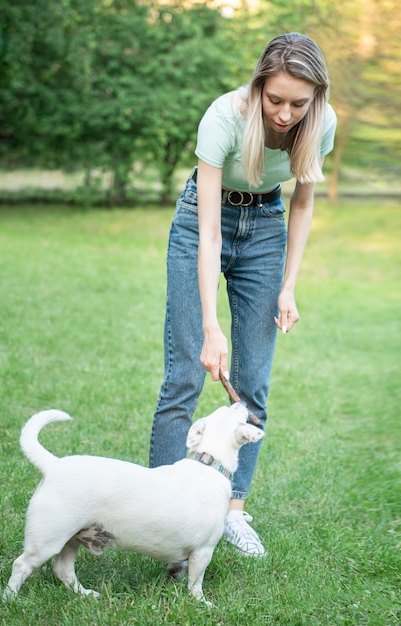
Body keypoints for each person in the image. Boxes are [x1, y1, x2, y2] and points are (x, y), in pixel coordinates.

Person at [149, 33, 337, 557]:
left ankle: (232, 511)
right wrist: (212, 327)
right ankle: (161, 512)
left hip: (267, 225)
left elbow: (302, 205)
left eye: (298, 103)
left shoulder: (321, 123)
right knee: (185, 373)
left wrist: (289, 287)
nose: (284, 113)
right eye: (275, 99)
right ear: (258, 87)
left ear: (315, 98)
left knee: (253, 382)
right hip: (201, 224)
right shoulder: (224, 116)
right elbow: (208, 231)